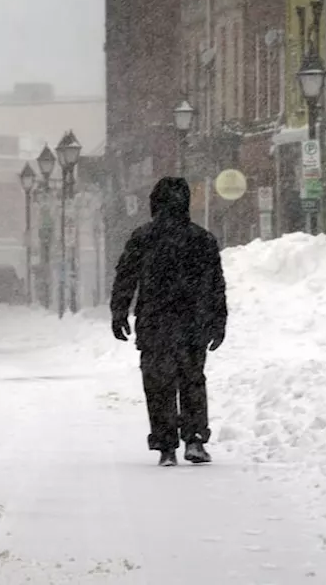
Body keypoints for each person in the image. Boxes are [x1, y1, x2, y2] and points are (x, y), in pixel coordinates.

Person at [110, 177, 228, 467]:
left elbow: (125, 277)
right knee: (192, 381)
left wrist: (119, 312)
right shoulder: (202, 239)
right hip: (193, 322)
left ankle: (166, 445)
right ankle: (195, 439)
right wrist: (218, 321)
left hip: (155, 322)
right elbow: (216, 286)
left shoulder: (143, 237)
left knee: (158, 384)